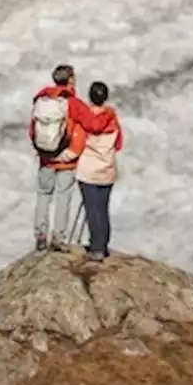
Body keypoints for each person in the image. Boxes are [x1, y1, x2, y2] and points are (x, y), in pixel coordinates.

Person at [29, 64, 87, 251]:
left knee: (43, 197)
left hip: (46, 158)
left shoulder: (41, 100)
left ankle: (40, 236)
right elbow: (91, 123)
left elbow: (32, 130)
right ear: (70, 79)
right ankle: (58, 238)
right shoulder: (73, 103)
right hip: (67, 161)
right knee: (63, 198)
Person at [74, 80, 123, 262]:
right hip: (107, 170)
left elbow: (77, 142)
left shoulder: (84, 119)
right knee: (102, 209)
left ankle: (95, 247)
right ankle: (103, 244)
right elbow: (118, 144)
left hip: (87, 170)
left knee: (91, 210)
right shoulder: (112, 119)